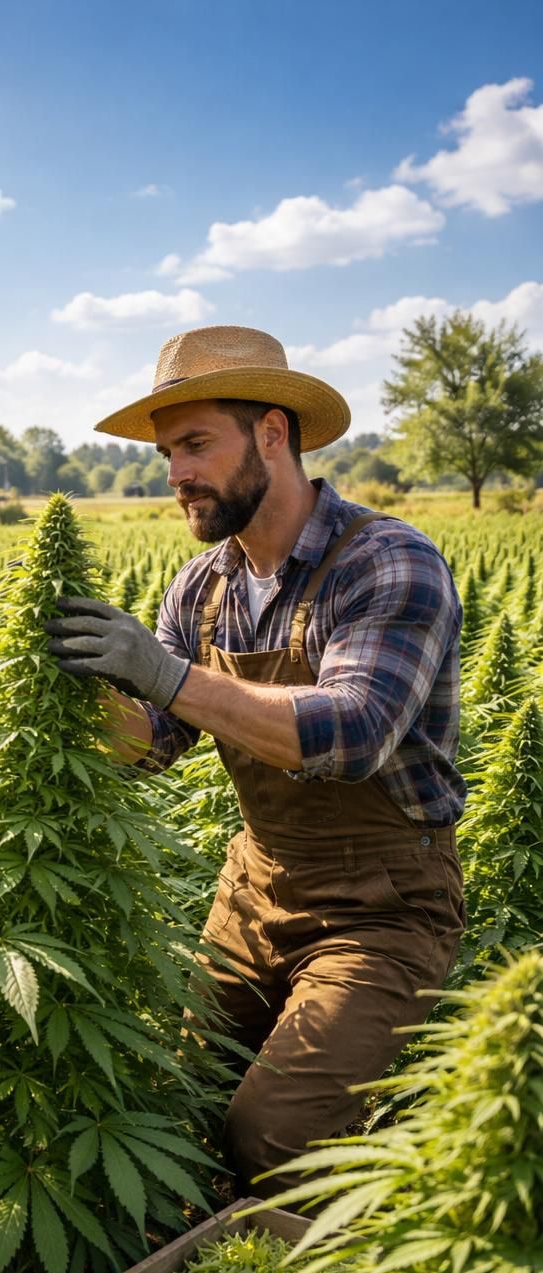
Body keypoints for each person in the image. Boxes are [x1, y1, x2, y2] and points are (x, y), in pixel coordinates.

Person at [45, 325, 467, 1197]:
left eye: (196, 444)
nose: (176, 474)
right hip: (254, 886)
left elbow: (355, 731)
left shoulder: (388, 560)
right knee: (178, 1102)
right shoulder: (201, 588)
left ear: (272, 434)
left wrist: (163, 673)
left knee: (270, 1136)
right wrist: (53, 699)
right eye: (167, 453)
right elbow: (155, 743)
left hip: (383, 906)